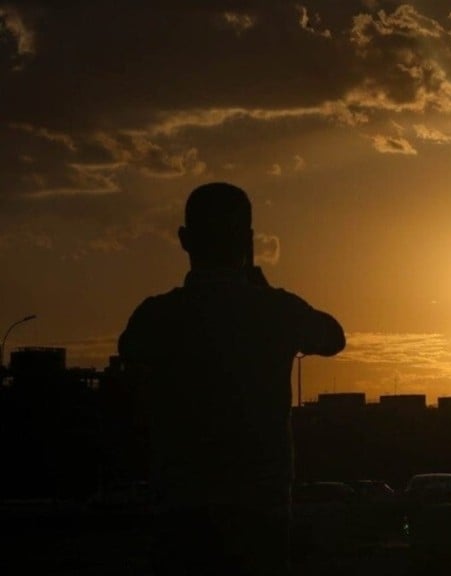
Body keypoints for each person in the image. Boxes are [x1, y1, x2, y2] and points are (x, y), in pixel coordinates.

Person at [118, 182, 345, 575]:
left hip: (181, 505)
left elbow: (130, 350)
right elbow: (332, 337)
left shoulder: (157, 316)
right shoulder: (276, 310)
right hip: (259, 507)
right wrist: (265, 293)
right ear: (248, 241)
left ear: (185, 240)